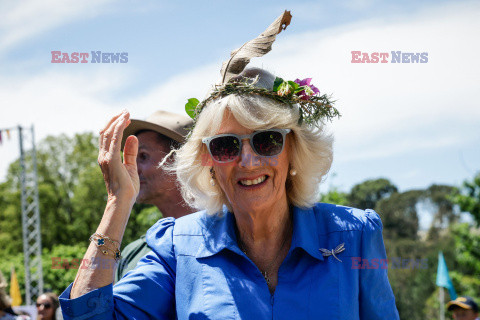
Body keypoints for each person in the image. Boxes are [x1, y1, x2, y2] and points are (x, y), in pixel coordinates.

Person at [59, 13, 399, 319]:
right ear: (209, 163)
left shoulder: (353, 235)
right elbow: (90, 316)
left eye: (267, 141)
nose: (248, 161)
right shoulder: (178, 247)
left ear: (292, 150)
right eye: (225, 145)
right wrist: (118, 205)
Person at [115, 110, 193, 281]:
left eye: (142, 156)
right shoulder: (132, 254)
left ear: (182, 159)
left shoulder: (232, 235)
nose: (131, 170)